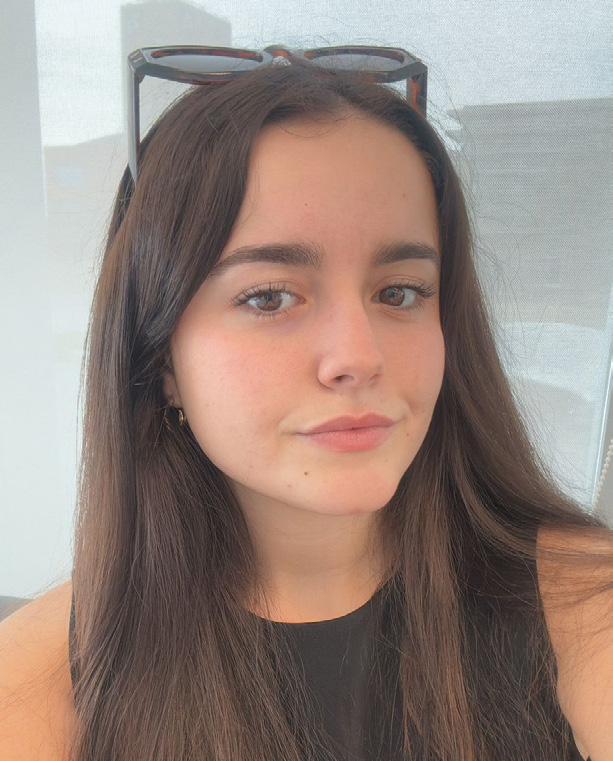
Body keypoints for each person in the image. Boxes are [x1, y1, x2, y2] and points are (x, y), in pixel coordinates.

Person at [1, 46, 612, 761]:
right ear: (161, 359)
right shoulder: (36, 683)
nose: (359, 355)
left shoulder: (582, 604)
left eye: (399, 292)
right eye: (268, 297)